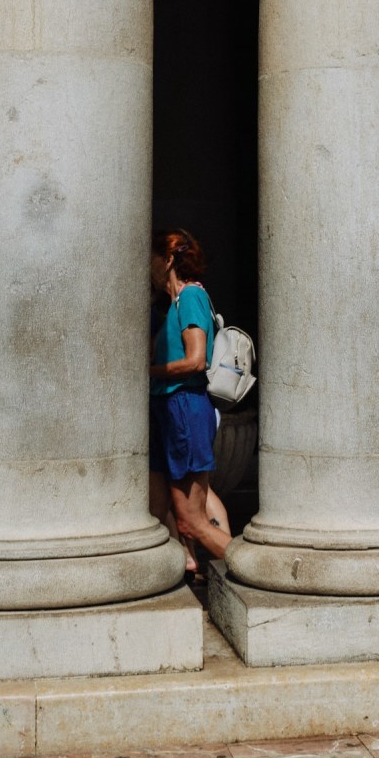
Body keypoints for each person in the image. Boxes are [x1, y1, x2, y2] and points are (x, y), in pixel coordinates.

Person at [148, 228, 231, 574]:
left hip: (184, 407)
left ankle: (253, 569)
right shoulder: (172, 304)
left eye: (150, 259)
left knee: (191, 522)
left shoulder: (191, 296)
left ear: (167, 260)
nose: (147, 267)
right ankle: (187, 564)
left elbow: (196, 360)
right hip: (170, 408)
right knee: (155, 511)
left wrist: (146, 372)